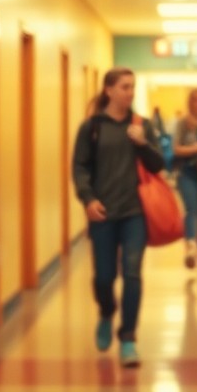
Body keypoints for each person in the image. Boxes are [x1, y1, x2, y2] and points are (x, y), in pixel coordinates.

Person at [71, 67, 165, 367]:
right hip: (102, 213)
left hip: (135, 213)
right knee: (104, 277)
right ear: (109, 90)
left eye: (133, 87)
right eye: (125, 87)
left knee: (133, 274)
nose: (130, 92)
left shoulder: (142, 125)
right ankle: (106, 312)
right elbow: (80, 167)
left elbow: (158, 164)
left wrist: (143, 143)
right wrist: (88, 198)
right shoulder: (92, 127)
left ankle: (127, 338)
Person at [172, 88, 197, 270]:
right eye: (195, 100)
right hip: (187, 172)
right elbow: (176, 149)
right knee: (192, 208)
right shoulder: (183, 123)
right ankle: (190, 246)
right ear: (190, 103)